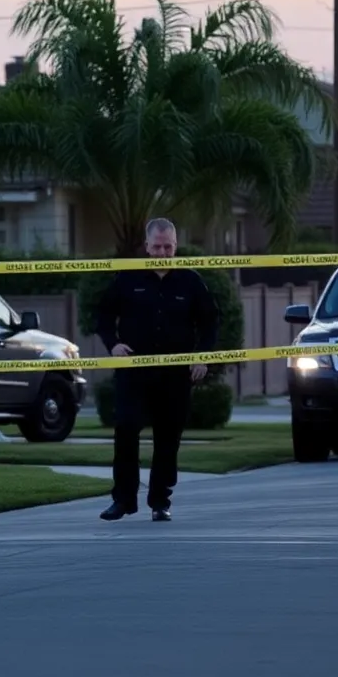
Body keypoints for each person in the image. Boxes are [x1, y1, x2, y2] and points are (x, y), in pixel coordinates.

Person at [95, 218, 219, 523]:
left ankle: (160, 501)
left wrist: (202, 356)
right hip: (134, 371)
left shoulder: (190, 280)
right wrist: (113, 345)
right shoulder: (128, 277)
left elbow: (210, 322)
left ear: (176, 246)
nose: (162, 252)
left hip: (175, 374)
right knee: (126, 428)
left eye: (168, 246)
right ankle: (122, 500)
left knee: (168, 438)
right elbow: (103, 315)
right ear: (147, 246)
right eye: (157, 247)